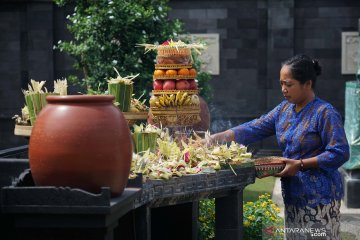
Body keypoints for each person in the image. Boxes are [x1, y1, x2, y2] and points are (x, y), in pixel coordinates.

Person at [205, 54, 349, 239]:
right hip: (292, 197)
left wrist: (300, 164)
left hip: (319, 199)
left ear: (307, 84)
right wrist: (216, 138)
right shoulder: (284, 110)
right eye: (281, 84)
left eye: (289, 84)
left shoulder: (325, 113)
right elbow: (254, 128)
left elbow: (340, 152)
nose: (283, 89)